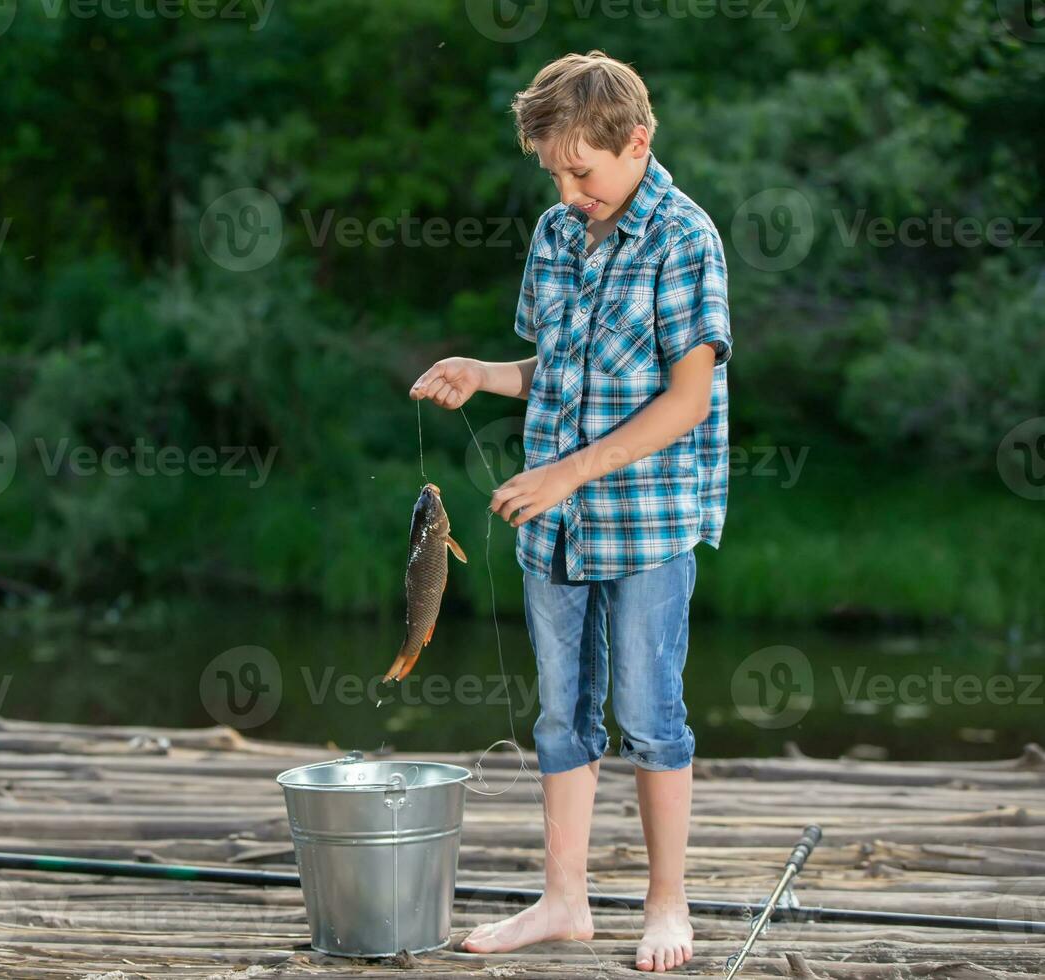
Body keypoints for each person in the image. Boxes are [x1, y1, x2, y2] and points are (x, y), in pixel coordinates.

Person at [410, 49, 733, 973]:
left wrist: (569, 474)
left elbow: (687, 400)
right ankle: (564, 901)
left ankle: (666, 905)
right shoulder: (557, 234)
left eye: (580, 170)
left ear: (635, 143)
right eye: (554, 170)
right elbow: (553, 368)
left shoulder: (685, 237)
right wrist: (484, 374)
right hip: (555, 523)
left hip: (647, 521)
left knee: (649, 711)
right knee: (561, 717)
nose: (567, 187)